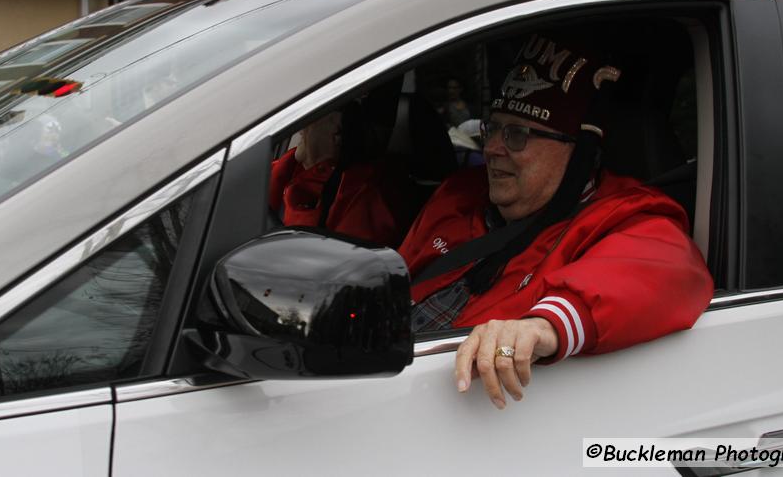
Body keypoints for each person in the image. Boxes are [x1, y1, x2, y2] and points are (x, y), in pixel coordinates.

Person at [399, 34, 713, 409]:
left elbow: (670, 268)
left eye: (517, 135)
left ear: (577, 149)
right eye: (493, 128)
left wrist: (541, 327)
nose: (492, 149)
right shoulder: (458, 195)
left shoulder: (623, 216)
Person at [269, 106, 410, 248]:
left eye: (312, 118)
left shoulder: (362, 203)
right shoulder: (287, 167)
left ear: (337, 134)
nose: (300, 128)